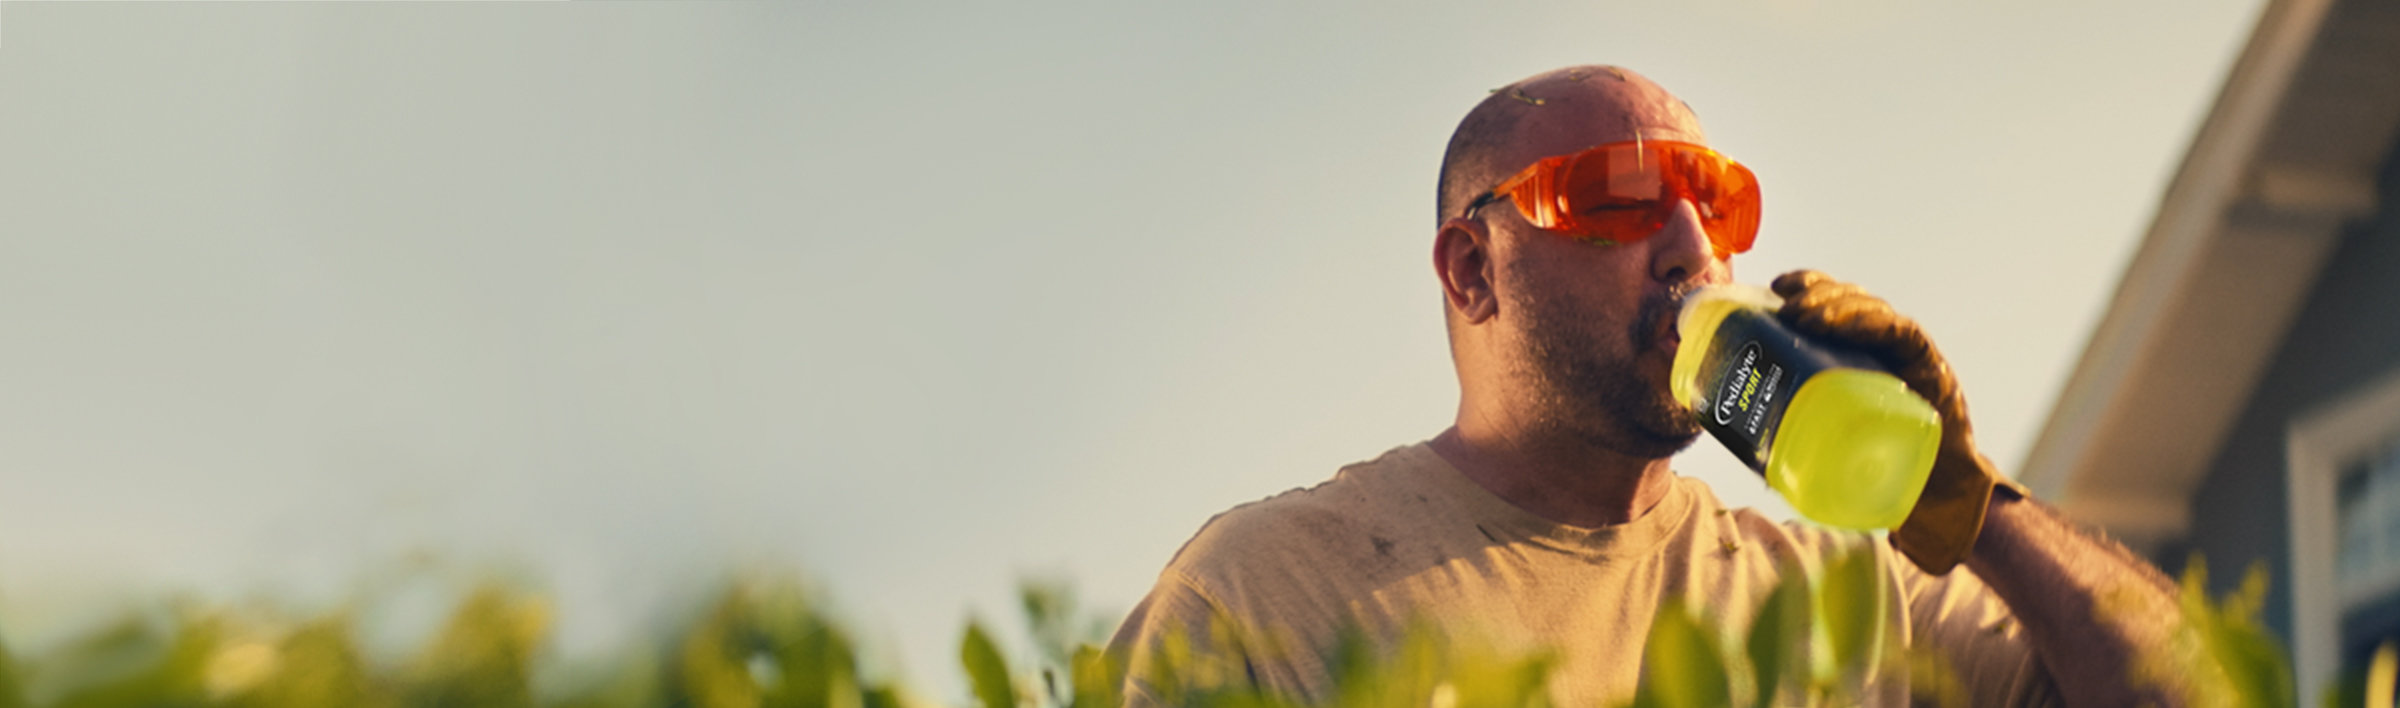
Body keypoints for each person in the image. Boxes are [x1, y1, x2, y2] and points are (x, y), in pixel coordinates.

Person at [1106, 66, 2195, 708]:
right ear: (1472, 270)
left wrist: (1972, 505)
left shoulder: (1845, 607)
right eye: (1619, 198)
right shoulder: (1269, 593)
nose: (1688, 246)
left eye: (1712, 206)